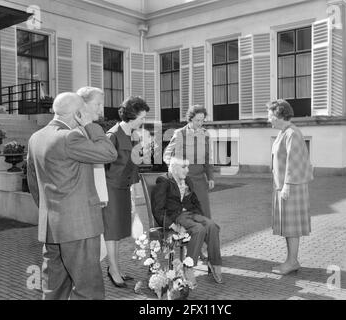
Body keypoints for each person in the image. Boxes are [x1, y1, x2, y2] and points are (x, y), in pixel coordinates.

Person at [26, 92, 118, 300]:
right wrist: (89, 125)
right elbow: (109, 153)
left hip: (51, 228)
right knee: (89, 291)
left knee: (53, 289)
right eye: (84, 111)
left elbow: (32, 181)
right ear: (78, 114)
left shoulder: (36, 137)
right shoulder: (69, 137)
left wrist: (50, 211)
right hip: (79, 228)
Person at [151, 157, 223, 285]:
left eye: (187, 167)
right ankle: (188, 266)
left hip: (191, 214)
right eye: (184, 167)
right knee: (198, 229)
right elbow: (158, 209)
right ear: (174, 168)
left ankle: (214, 262)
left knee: (212, 225)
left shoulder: (187, 181)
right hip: (176, 217)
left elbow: (195, 202)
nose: (187, 170)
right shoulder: (163, 181)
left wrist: (202, 218)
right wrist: (173, 226)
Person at [102, 96, 149, 287]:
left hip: (123, 188)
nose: (143, 121)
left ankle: (116, 267)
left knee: (119, 230)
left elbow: (131, 163)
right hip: (110, 189)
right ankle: (113, 270)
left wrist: (142, 156)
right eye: (141, 117)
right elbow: (102, 166)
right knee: (111, 231)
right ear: (131, 116)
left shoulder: (134, 134)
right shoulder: (112, 135)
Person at [267, 99, 313, 275]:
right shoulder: (284, 132)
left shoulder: (291, 133)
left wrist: (286, 185)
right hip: (285, 186)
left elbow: (294, 162)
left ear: (279, 115)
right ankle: (291, 260)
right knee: (288, 225)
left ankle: (292, 261)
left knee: (291, 226)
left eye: (270, 116)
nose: (268, 119)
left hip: (291, 187)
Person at [163, 105, 214, 219]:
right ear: (190, 119)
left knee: (204, 211)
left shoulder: (206, 134)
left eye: (202, 120)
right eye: (197, 120)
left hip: (200, 179)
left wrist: (210, 177)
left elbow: (208, 157)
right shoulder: (180, 133)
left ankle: (205, 235)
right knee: (187, 212)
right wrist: (174, 171)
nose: (200, 123)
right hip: (184, 179)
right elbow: (167, 155)